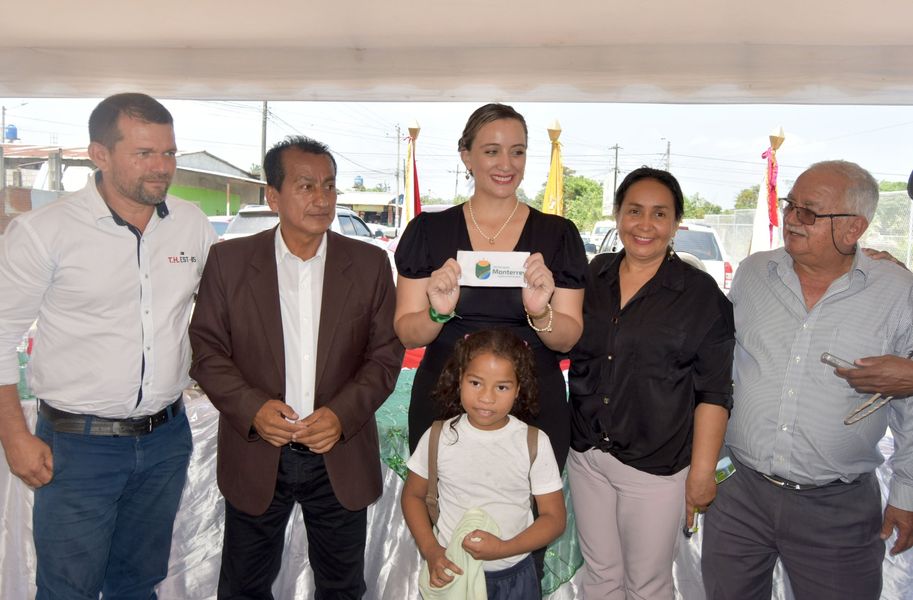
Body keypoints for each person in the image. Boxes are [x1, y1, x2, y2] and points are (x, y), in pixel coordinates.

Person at [0, 93, 216, 598]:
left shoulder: (191, 224)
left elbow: (222, 312)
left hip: (165, 440)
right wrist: (13, 436)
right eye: (144, 153)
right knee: (68, 590)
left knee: (138, 585)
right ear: (99, 154)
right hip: (78, 447)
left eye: (169, 152)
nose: (162, 167)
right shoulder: (44, 232)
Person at [189, 135, 403, 599]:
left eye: (329, 185)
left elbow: (385, 355)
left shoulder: (368, 263)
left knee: (342, 588)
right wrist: (253, 409)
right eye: (306, 186)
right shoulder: (229, 261)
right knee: (243, 588)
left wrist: (341, 416)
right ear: (273, 196)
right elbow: (206, 351)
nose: (321, 198)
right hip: (258, 450)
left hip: (338, 452)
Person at [702, 160, 913, 599]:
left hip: (838, 508)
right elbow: (715, 367)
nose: (792, 219)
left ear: (854, 228)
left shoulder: (896, 292)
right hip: (738, 493)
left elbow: (908, 405)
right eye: (790, 205)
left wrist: (906, 493)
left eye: (810, 212)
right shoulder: (753, 273)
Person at [566, 167, 734, 598]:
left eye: (659, 214)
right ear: (618, 214)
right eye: (634, 211)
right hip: (587, 455)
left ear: (676, 223)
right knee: (600, 575)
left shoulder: (700, 295)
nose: (645, 224)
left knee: (647, 584)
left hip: (656, 466)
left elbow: (714, 393)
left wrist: (702, 474)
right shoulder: (594, 275)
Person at [394, 102, 587, 471]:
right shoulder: (429, 231)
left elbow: (566, 340)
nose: (506, 164)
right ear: (466, 156)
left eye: (517, 152)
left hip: (532, 406)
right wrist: (437, 312)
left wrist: (540, 312)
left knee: (529, 506)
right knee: (444, 504)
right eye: (491, 151)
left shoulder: (558, 235)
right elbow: (407, 333)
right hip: (447, 400)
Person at [401, 329, 566, 599]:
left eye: (502, 387)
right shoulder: (438, 436)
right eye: (476, 383)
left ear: (518, 389)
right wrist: (431, 550)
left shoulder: (533, 442)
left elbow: (554, 518)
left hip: (514, 577)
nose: (487, 397)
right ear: (460, 380)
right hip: (453, 575)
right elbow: (413, 496)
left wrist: (504, 548)